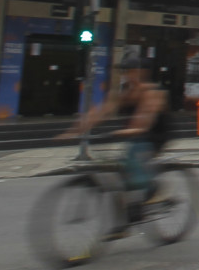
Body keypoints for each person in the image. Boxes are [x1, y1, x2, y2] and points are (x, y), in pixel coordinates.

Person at [58, 49, 171, 236]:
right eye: (124, 71)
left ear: (141, 72)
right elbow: (103, 111)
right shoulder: (124, 91)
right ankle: (123, 223)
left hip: (155, 136)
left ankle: (155, 190)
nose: (126, 75)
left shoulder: (152, 92)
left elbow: (143, 123)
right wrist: (76, 129)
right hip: (133, 134)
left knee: (135, 167)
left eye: (130, 71)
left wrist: (121, 132)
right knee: (115, 178)